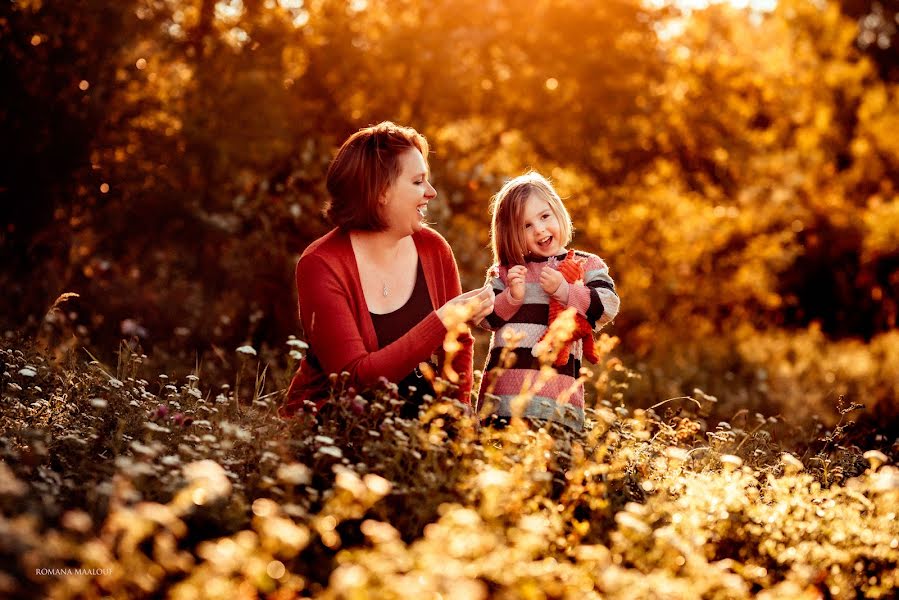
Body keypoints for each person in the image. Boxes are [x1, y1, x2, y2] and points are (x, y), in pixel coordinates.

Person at [281, 122, 495, 418]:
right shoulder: (321, 264)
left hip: (415, 422)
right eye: (418, 182)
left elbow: (456, 345)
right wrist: (440, 320)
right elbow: (352, 381)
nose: (430, 192)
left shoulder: (433, 248)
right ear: (381, 191)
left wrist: (457, 415)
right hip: (337, 423)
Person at [477, 171, 620, 431]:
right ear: (510, 233)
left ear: (558, 212)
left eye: (544, 217)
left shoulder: (586, 264)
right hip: (504, 403)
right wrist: (511, 297)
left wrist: (566, 291)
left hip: (558, 402)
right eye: (526, 225)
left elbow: (608, 306)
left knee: (554, 469)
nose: (540, 229)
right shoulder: (507, 271)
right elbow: (485, 317)